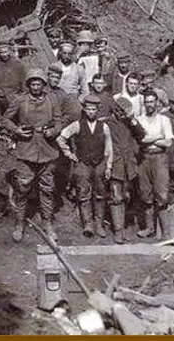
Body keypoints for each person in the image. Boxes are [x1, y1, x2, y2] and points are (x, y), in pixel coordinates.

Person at [1, 68, 62, 243]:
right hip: (26, 149)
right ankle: (19, 223)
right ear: (29, 85)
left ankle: (47, 223)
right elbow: (4, 120)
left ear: (44, 84)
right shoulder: (20, 100)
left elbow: (59, 120)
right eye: (33, 84)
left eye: (39, 84)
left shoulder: (52, 100)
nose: (36, 87)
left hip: (47, 149)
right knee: (22, 188)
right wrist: (16, 130)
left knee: (47, 189)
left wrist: (54, 131)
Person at [56, 94, 113, 239]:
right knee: (84, 194)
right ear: (84, 109)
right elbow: (61, 137)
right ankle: (88, 224)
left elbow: (109, 148)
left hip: (99, 163)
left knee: (100, 194)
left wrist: (108, 166)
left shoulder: (104, 127)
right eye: (88, 109)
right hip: (82, 164)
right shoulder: (77, 125)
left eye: (93, 109)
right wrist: (69, 154)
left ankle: (99, 224)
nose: (91, 112)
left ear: (97, 110)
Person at [135, 90, 174, 240]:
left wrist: (150, 138)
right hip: (144, 158)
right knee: (146, 194)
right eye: (147, 102)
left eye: (152, 101)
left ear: (156, 103)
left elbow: (168, 142)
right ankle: (149, 228)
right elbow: (140, 140)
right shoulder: (140, 120)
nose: (149, 105)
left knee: (162, 194)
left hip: (160, 158)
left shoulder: (164, 120)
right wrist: (158, 137)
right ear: (144, 104)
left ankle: (166, 233)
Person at [108, 96, 142, 243]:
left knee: (128, 196)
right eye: (121, 113)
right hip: (115, 164)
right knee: (116, 197)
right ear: (116, 110)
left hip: (129, 165)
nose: (123, 116)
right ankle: (118, 231)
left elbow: (142, 134)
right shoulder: (106, 123)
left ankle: (125, 228)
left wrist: (133, 120)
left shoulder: (129, 123)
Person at [0, 40, 26, 122]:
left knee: (19, 103)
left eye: (5, 52)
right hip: (1, 93)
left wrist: (24, 93)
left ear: (10, 51)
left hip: (14, 93)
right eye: (1, 52)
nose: (4, 54)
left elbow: (24, 81)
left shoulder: (18, 64)